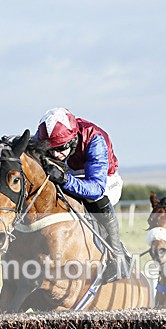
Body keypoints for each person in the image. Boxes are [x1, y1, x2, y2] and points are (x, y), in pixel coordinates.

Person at [34, 107, 131, 283]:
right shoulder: (43, 136)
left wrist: (64, 180)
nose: (55, 154)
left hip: (103, 181)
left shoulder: (95, 139)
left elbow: (95, 188)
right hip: (68, 173)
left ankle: (118, 257)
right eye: (50, 149)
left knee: (94, 198)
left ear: (72, 140)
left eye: (61, 148)